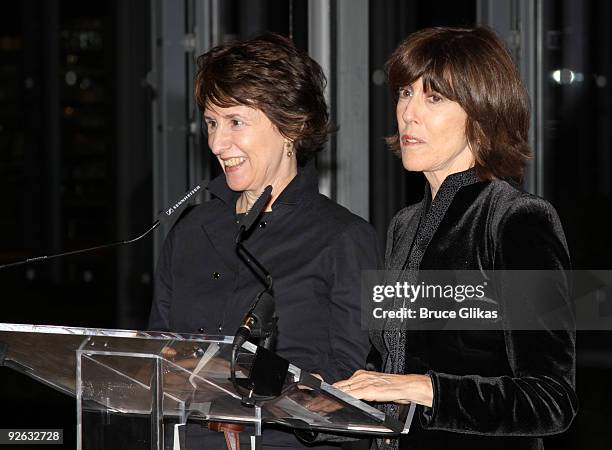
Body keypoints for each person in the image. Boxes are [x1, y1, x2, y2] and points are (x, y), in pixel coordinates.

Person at [333, 27, 577, 449]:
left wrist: (425, 389)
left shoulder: (518, 220)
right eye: (405, 93)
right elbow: (387, 364)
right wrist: (327, 399)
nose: (409, 113)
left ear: (482, 113)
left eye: (434, 98)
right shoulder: (403, 225)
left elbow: (551, 401)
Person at [148, 33, 380, 449]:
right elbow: (158, 362)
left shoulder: (343, 239)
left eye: (236, 121)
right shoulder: (189, 231)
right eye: (211, 123)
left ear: (291, 125)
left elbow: (348, 395)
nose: (218, 143)